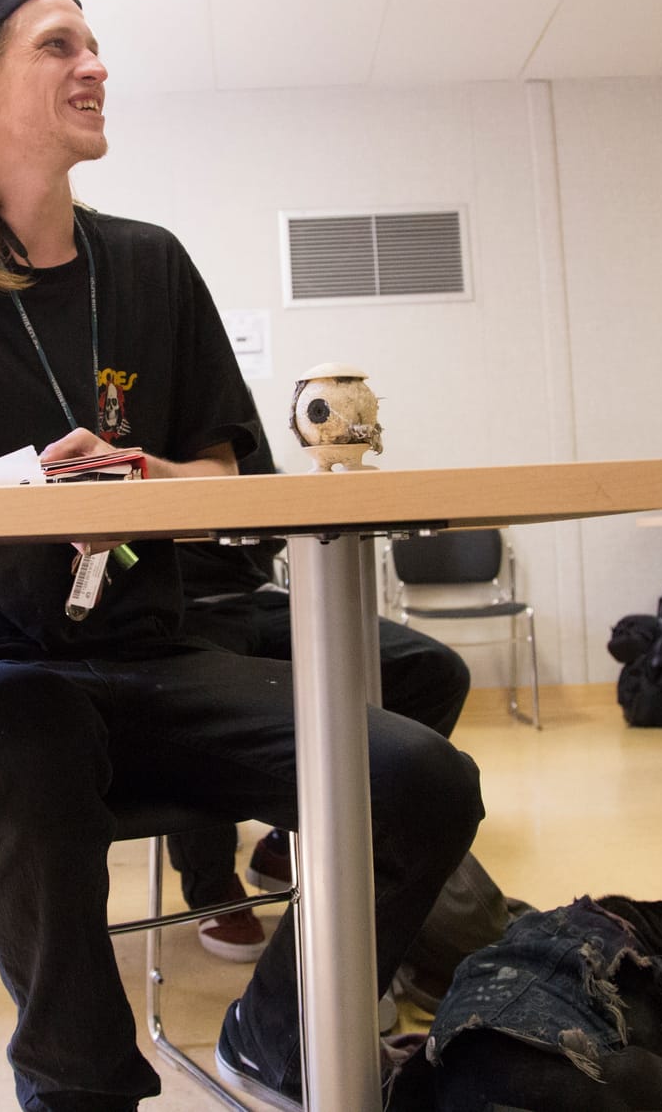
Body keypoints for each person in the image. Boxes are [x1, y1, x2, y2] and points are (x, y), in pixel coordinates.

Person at [0, 0, 482, 1111]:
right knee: (26, 727)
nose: (94, 66)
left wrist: (151, 479)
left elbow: (229, 473)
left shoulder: (149, 265)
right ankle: (77, 1091)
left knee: (419, 781)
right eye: (57, 45)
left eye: (93, 44)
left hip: (140, 652)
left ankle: (278, 1034)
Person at [166, 412, 472, 964]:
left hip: (252, 594)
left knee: (432, 670)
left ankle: (294, 836)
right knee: (195, 692)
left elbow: (264, 505)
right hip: (174, 608)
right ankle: (210, 886)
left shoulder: (220, 410)